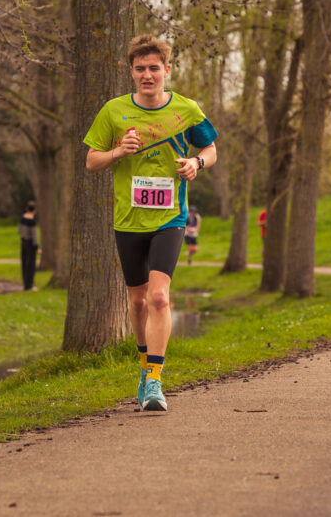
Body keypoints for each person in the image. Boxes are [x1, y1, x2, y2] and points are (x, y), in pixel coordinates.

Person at [83, 34, 218, 411]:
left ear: (167, 70)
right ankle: (144, 369)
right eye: (140, 69)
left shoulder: (186, 110)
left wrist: (196, 163)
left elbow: (211, 149)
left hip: (171, 216)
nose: (147, 75)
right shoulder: (113, 111)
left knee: (160, 297)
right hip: (128, 219)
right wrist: (116, 152)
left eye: (154, 68)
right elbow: (91, 161)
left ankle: (155, 381)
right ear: (131, 72)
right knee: (138, 301)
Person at [18, 200, 39, 291]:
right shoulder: (32, 221)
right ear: (35, 210)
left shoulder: (22, 218)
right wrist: (36, 247)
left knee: (24, 263)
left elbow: (19, 231)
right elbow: (34, 235)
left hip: (23, 242)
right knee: (31, 265)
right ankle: (29, 285)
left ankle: (25, 284)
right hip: (30, 244)